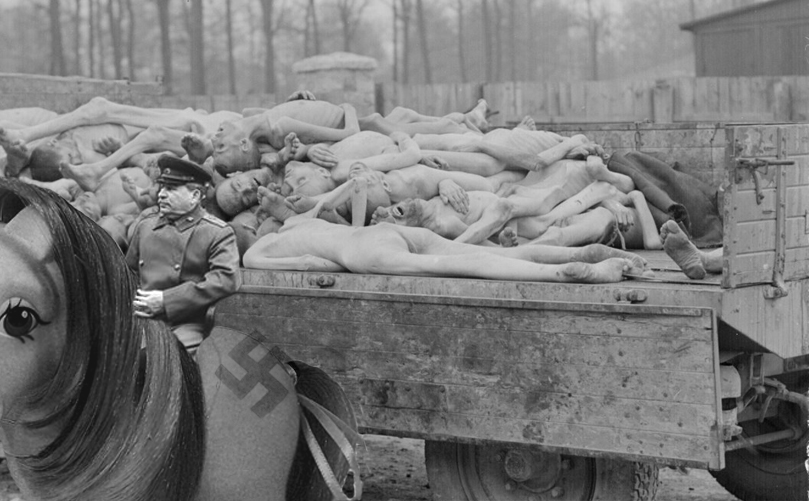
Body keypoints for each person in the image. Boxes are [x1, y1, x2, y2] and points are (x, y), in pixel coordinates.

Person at [242, 217, 650, 283]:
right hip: (380, 231)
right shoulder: (296, 222)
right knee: (491, 253)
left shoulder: (260, 247)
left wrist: (330, 266)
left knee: (467, 264)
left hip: (362, 251)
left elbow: (310, 264)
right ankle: (580, 253)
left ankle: (559, 274)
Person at [124, 155, 241, 354]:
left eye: (171, 189)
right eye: (162, 188)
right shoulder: (145, 227)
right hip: (141, 319)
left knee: (173, 358)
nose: (161, 194)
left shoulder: (216, 232)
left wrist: (166, 300)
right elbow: (128, 274)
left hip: (187, 324)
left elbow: (226, 279)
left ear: (195, 196)